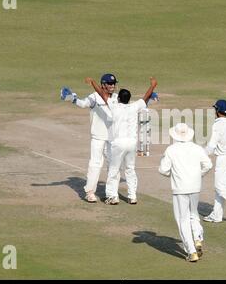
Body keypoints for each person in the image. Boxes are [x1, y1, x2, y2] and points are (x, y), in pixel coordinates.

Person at [86, 77, 157, 205]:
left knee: (114, 170)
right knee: (130, 169)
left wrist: (93, 83)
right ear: (129, 99)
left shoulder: (114, 106)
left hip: (118, 144)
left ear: (119, 99)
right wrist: (153, 86)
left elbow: (102, 95)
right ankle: (132, 196)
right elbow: (145, 98)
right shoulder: (134, 106)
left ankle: (113, 197)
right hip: (131, 143)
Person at [60, 74, 119, 202]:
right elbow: (83, 104)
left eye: (113, 84)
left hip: (112, 138)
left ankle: (112, 194)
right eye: (109, 83)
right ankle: (90, 192)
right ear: (103, 84)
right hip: (98, 137)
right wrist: (72, 98)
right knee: (95, 165)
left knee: (114, 166)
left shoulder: (116, 98)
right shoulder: (94, 96)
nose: (112, 86)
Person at [159, 123, 213, 262]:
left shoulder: (171, 150)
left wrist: (173, 174)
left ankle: (191, 251)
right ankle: (198, 238)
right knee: (193, 214)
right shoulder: (197, 148)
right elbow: (208, 165)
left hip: (180, 188)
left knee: (182, 219)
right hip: (195, 186)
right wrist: (198, 175)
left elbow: (163, 170)